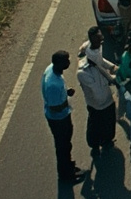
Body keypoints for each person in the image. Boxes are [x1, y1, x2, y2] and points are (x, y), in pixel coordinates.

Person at [41, 50, 83, 183]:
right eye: (66, 61)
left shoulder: (53, 70)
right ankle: (66, 174)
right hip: (58, 119)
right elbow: (55, 107)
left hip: (62, 116)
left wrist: (66, 92)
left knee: (66, 144)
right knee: (62, 146)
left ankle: (68, 165)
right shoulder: (53, 84)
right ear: (59, 64)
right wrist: (66, 101)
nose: (69, 62)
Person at [77, 28, 119, 154]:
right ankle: (94, 144)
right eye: (98, 38)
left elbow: (100, 62)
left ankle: (107, 140)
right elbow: (96, 90)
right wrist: (113, 80)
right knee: (96, 124)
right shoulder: (83, 73)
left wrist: (111, 66)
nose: (101, 40)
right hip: (96, 103)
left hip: (106, 97)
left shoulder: (95, 49)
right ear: (92, 39)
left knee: (110, 120)